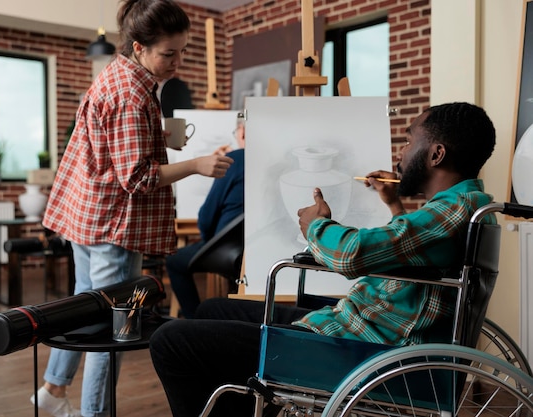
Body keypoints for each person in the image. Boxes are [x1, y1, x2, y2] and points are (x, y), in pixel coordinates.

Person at [149, 102, 497, 417]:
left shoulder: (451, 212)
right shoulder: (464, 206)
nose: (402, 154)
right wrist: (393, 205)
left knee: (171, 341)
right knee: (213, 309)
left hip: (363, 352)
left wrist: (317, 224)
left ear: (435, 154)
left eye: (409, 142)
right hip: (361, 331)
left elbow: (350, 255)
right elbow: (412, 256)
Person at [31, 1, 234, 417]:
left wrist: (159, 137)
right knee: (112, 329)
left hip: (89, 219)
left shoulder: (120, 76)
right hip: (114, 228)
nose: (177, 63)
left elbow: (114, 148)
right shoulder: (131, 94)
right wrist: (197, 164)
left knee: (83, 310)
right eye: (168, 53)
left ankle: (52, 391)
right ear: (139, 47)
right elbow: (138, 178)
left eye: (182, 51)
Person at [166, 115, 245, 318]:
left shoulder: (234, 161)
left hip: (226, 249)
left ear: (242, 133)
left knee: (174, 262)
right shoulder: (273, 160)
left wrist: (207, 240)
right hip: (259, 250)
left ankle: (195, 320)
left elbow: (207, 216)